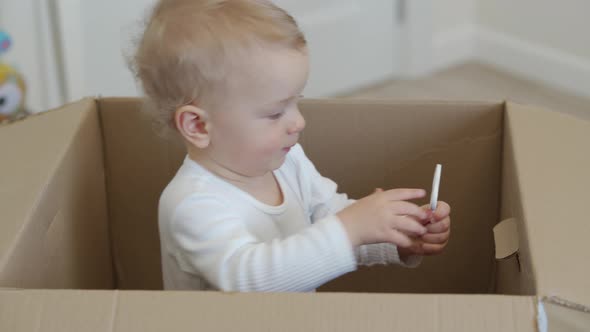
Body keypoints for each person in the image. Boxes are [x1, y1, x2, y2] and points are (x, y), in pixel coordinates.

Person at [130, 0, 451, 292]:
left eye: (297, 102)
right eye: (274, 113)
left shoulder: (286, 159)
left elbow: (329, 216)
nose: (298, 122)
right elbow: (250, 281)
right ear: (198, 126)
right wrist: (352, 226)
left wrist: (394, 235)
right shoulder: (192, 204)